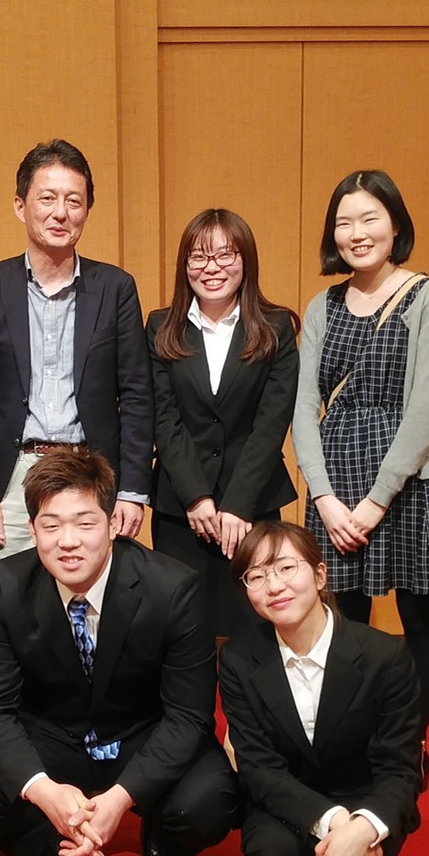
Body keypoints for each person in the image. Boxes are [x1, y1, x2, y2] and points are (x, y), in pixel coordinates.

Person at [0, 450, 237, 856]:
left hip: (139, 734)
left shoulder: (172, 588)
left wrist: (120, 799)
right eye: (51, 525)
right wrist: (43, 791)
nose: (68, 542)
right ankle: (47, 846)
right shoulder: (6, 584)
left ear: (113, 523)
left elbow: (189, 716)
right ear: (32, 529)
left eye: (85, 523)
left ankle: (164, 843)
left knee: (211, 800)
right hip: (51, 737)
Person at [290, 169, 429, 784]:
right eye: (344, 222)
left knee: (420, 617)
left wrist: (377, 499)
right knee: (344, 621)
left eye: (370, 218)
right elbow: (303, 407)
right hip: (336, 479)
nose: (357, 233)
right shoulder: (323, 305)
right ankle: (354, 739)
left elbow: (428, 408)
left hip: (408, 480)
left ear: (395, 224)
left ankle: (407, 744)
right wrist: (324, 496)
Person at [0, 139, 154, 598]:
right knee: (2, 604)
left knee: (94, 603)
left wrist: (132, 491)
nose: (60, 213)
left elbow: (137, 396)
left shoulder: (116, 287)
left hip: (92, 470)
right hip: (13, 475)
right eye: (47, 198)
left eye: (73, 201)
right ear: (20, 206)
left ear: (87, 210)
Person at [220, 522, 421, 856]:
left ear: (320, 575)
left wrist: (363, 827)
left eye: (286, 568)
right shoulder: (238, 659)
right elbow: (258, 767)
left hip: (362, 794)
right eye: (257, 576)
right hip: (284, 798)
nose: (275, 586)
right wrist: (334, 822)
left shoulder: (385, 656)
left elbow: (400, 767)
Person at [146, 208, 299, 639]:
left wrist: (237, 504)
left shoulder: (275, 327)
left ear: (245, 259)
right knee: (182, 634)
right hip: (181, 510)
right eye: (199, 256)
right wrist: (197, 497)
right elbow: (164, 418)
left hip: (253, 507)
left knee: (254, 632)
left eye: (225, 255)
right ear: (185, 265)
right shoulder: (161, 327)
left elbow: (271, 424)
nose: (211, 267)